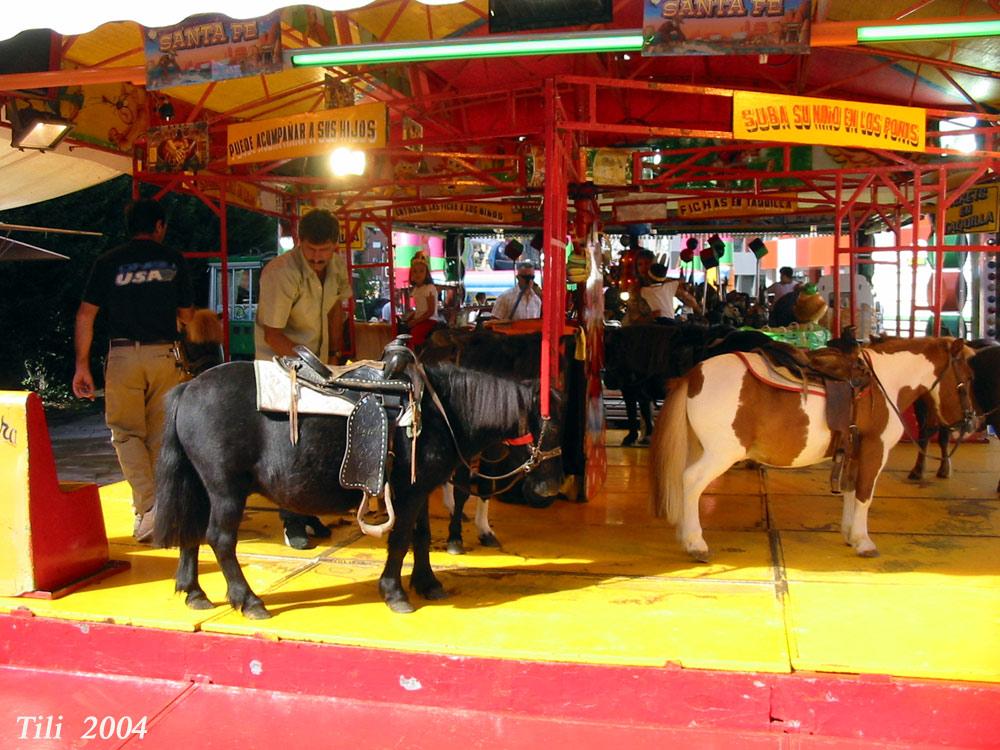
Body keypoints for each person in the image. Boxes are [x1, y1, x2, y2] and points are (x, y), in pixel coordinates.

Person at [72, 199, 194, 543]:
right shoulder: (173, 260)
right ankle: (158, 509)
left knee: (125, 434)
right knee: (160, 437)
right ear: (159, 226)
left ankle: (150, 507)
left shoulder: (108, 262)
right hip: (165, 357)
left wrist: (82, 365)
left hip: (123, 356)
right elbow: (186, 316)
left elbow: (85, 315)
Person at [255, 208, 350, 549]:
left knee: (316, 438)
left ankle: (309, 510)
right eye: (311, 250)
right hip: (281, 365)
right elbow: (273, 334)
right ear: (299, 241)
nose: (318, 257)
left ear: (335, 246)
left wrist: (337, 355)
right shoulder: (280, 273)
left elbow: (336, 307)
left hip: (321, 364)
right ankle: (290, 519)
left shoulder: (335, 266)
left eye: (325, 251)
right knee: (289, 442)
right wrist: (308, 364)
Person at [400, 251, 439, 347]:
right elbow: (419, 309)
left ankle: (415, 356)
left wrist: (415, 321)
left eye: (421, 271)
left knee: (414, 336)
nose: (418, 274)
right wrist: (410, 318)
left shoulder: (429, 288)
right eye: (415, 271)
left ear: (426, 273)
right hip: (420, 318)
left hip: (429, 319)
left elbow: (430, 311)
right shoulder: (416, 289)